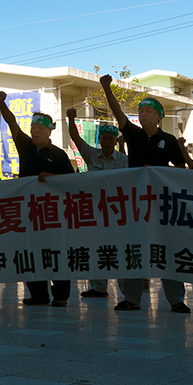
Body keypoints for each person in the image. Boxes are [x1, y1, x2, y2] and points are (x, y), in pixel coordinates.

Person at [99, 75, 192, 313]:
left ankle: (176, 299)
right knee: (134, 249)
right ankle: (132, 298)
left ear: (159, 116)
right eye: (140, 112)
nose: (143, 115)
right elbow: (117, 111)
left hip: (162, 204)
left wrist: (159, 172)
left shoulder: (168, 140)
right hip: (135, 204)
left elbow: (181, 170)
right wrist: (106, 88)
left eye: (148, 112)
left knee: (167, 249)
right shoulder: (133, 134)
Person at [0, 91, 76, 307]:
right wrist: (0, 103)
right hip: (28, 212)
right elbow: (11, 121)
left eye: (40, 128)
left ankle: (60, 295)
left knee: (56, 252)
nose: (35, 131)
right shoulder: (25, 147)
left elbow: (73, 181)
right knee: (30, 252)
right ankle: (38, 294)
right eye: (33, 128)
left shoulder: (59, 155)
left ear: (49, 132)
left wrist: (51, 177)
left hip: (53, 214)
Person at [66, 109, 129, 299]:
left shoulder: (125, 161)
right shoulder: (92, 155)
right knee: (97, 247)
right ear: (100, 140)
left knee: (119, 249)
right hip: (95, 210)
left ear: (115, 141)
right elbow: (75, 138)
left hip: (118, 212)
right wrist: (70, 118)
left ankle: (127, 292)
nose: (108, 141)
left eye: (111, 138)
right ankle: (98, 287)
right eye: (105, 138)